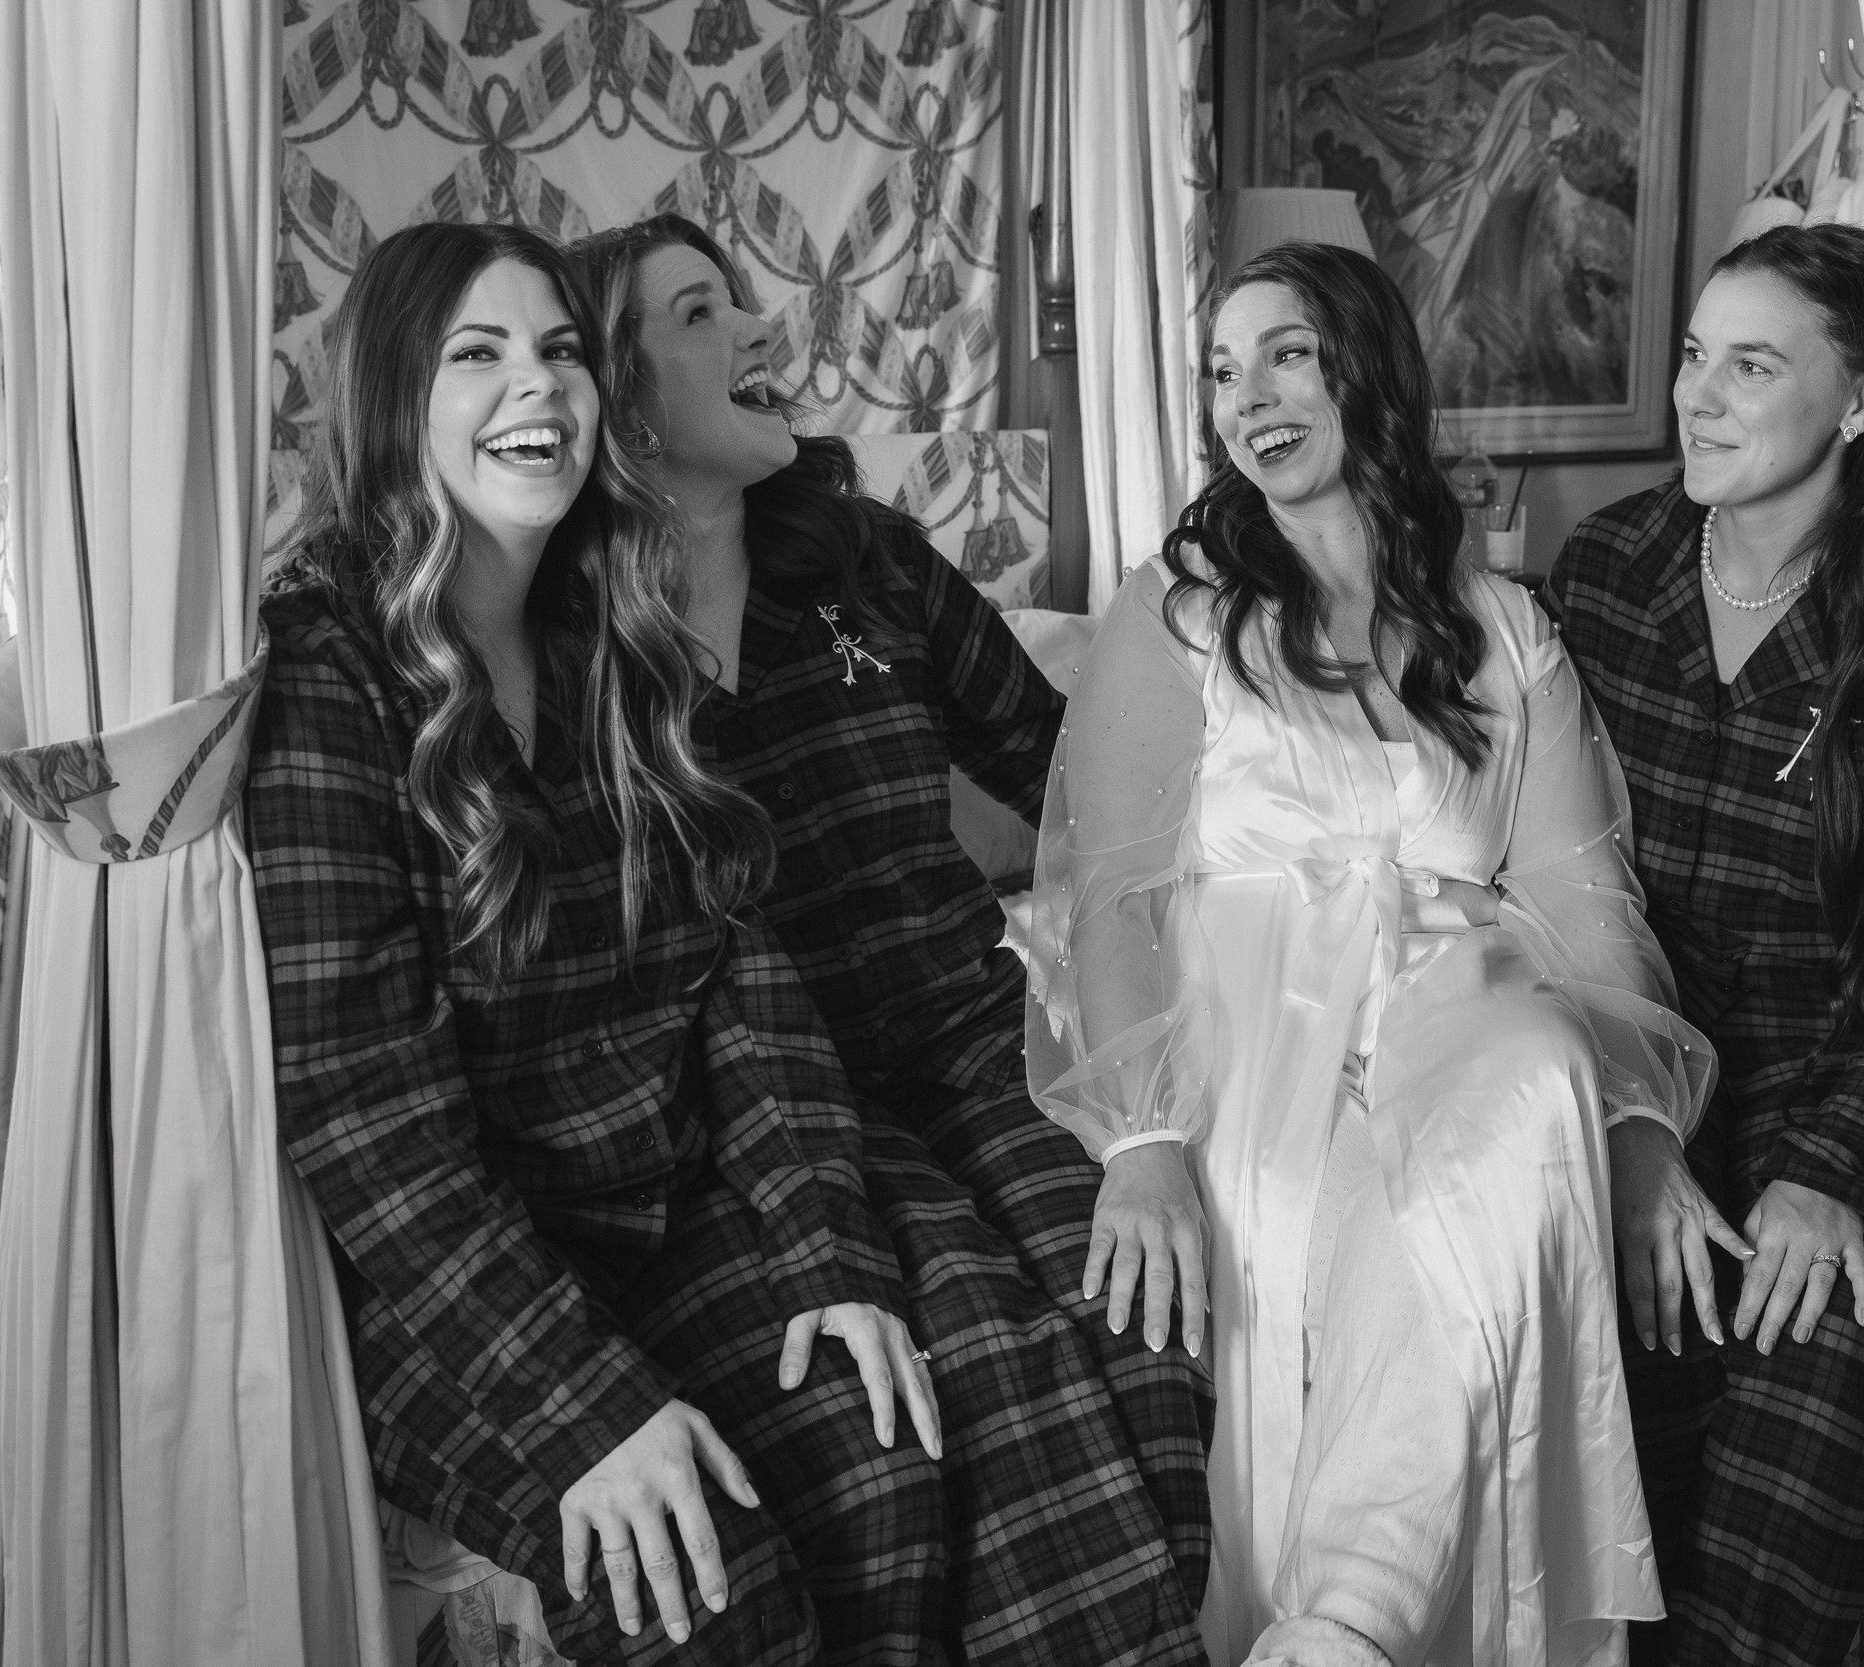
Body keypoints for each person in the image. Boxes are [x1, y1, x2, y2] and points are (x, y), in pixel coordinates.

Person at [246, 221, 1192, 1666]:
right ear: (395, 398)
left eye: (554, 349)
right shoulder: (331, 668)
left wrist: (830, 1259)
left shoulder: (607, 639)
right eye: (481, 355)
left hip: (717, 1164)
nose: (536, 388)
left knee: (931, 1418)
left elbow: (730, 974)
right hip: (479, 1271)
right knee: (717, 1563)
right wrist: (591, 1410)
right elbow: (369, 1119)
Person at [1004, 241, 1715, 1667]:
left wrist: (1642, 1128)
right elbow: (1120, 895)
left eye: (1284, 353)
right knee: (1383, 1219)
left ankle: (1345, 1631)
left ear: (1364, 371)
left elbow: (1581, 904)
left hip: (1463, 1004)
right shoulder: (1182, 614)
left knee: (1533, 1083)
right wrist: (1142, 1139)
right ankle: (1353, 1625)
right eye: (1221, 368)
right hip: (1251, 1024)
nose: (1246, 394)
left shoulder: (1505, 632)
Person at [568, 210, 1214, 1633]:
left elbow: (1066, 772)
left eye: (740, 298)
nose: (756, 329)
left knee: (1155, 1326)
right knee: (982, 1356)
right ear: (615, 399)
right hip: (775, 1111)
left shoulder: (869, 566)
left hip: (978, 1045)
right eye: (696, 315)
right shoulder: (582, 651)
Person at [1544, 223, 1864, 1667]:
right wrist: (1624, 1126)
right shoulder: (1605, 571)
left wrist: (1830, 1176)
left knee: (1808, 1421)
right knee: (1542, 1387)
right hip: (1598, 1092)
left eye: (1751, 364)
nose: (1697, 395)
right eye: (1696, 356)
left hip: (1812, 1122)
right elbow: (1526, 880)